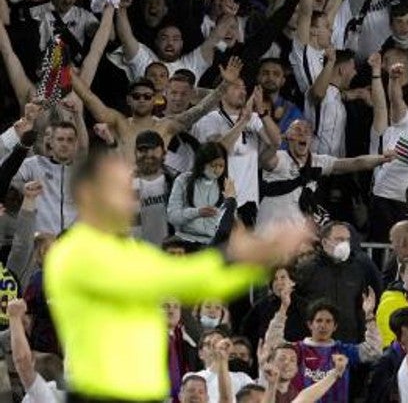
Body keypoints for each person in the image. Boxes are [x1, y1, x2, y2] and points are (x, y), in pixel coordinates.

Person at [44, 149, 310, 401]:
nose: (129, 198)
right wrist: (237, 254)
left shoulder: (131, 252)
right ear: (87, 194)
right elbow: (176, 278)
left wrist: (259, 258)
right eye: (117, 189)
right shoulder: (73, 254)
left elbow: (199, 283)